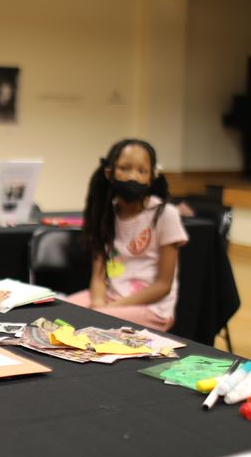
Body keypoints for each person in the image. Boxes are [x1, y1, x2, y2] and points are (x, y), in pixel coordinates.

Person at [66, 139, 188, 331]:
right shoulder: (105, 215)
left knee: (87, 324)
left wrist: (108, 310)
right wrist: (97, 303)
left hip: (151, 308)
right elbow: (99, 276)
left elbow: (163, 285)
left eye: (142, 171)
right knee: (58, 312)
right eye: (125, 168)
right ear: (109, 173)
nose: (133, 177)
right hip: (110, 298)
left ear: (152, 177)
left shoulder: (165, 215)